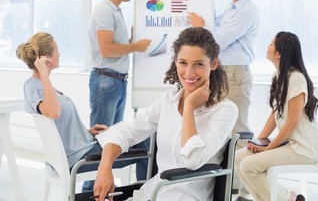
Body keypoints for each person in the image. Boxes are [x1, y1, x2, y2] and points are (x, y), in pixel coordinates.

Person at [92, 27, 238, 201]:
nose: (189, 73)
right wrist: (105, 166)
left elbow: (193, 160)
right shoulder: (168, 101)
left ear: (213, 64)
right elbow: (128, 130)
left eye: (199, 64)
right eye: (183, 63)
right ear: (175, 62)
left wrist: (190, 106)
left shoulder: (225, 110)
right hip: (152, 194)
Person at [16, 32, 144, 192]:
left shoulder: (42, 85)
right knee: (146, 141)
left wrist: (85, 132)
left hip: (84, 147)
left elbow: (57, 124)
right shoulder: (34, 85)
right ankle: (147, 194)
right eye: (56, 50)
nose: (60, 54)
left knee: (138, 135)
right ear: (46, 58)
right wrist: (43, 73)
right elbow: (54, 113)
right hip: (79, 158)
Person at [188, 0, 260, 196]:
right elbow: (217, 23)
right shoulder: (233, 7)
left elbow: (219, 41)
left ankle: (246, 189)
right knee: (223, 128)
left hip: (236, 74)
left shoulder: (247, 10)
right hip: (225, 73)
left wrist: (201, 26)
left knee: (238, 131)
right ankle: (232, 186)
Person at [234, 31, 318, 201]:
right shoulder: (278, 77)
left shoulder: (296, 79)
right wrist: (257, 141)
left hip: (304, 148)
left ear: (279, 53)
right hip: (291, 144)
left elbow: (292, 123)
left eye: (271, 44)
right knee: (239, 158)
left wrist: (268, 147)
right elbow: (275, 115)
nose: (268, 47)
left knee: (249, 165)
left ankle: (289, 198)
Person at [88, 0, 151, 185]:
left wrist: (131, 41)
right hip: (107, 81)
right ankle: (91, 189)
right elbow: (107, 49)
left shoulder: (115, 10)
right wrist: (135, 46)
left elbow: (115, 45)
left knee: (114, 139)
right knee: (102, 143)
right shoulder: (104, 10)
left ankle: (100, 188)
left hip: (116, 81)